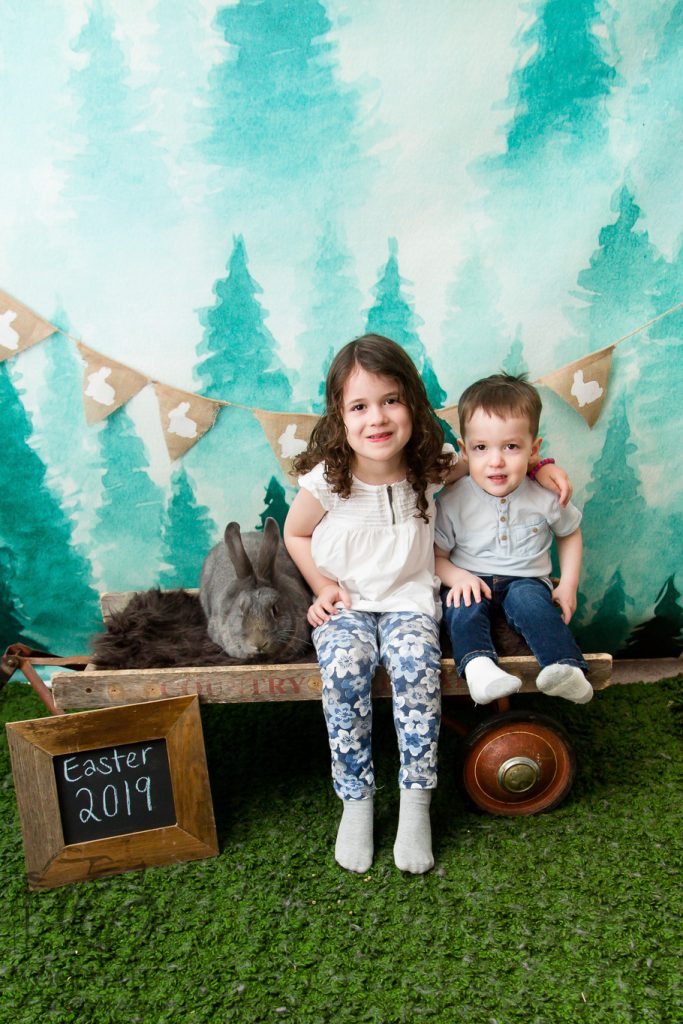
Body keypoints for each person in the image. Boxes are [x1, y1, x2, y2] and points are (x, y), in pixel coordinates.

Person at [284, 338, 571, 875]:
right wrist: (321, 587)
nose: (377, 418)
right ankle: (356, 800)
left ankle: (416, 804)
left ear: (413, 406)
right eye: (359, 406)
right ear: (340, 417)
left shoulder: (430, 468)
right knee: (344, 670)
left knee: (418, 669)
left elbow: (493, 457)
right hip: (347, 602)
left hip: (410, 603)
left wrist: (543, 467)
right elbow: (296, 534)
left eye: (390, 400)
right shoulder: (328, 479)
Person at [434, 372, 592, 708]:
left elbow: (569, 533)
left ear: (533, 450)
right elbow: (436, 556)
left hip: (526, 580)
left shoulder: (545, 495)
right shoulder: (453, 500)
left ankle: (566, 667)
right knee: (461, 607)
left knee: (532, 604)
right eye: (481, 447)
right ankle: (479, 668)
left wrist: (568, 585)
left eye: (511, 446)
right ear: (465, 451)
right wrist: (458, 577)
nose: (496, 461)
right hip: (470, 577)